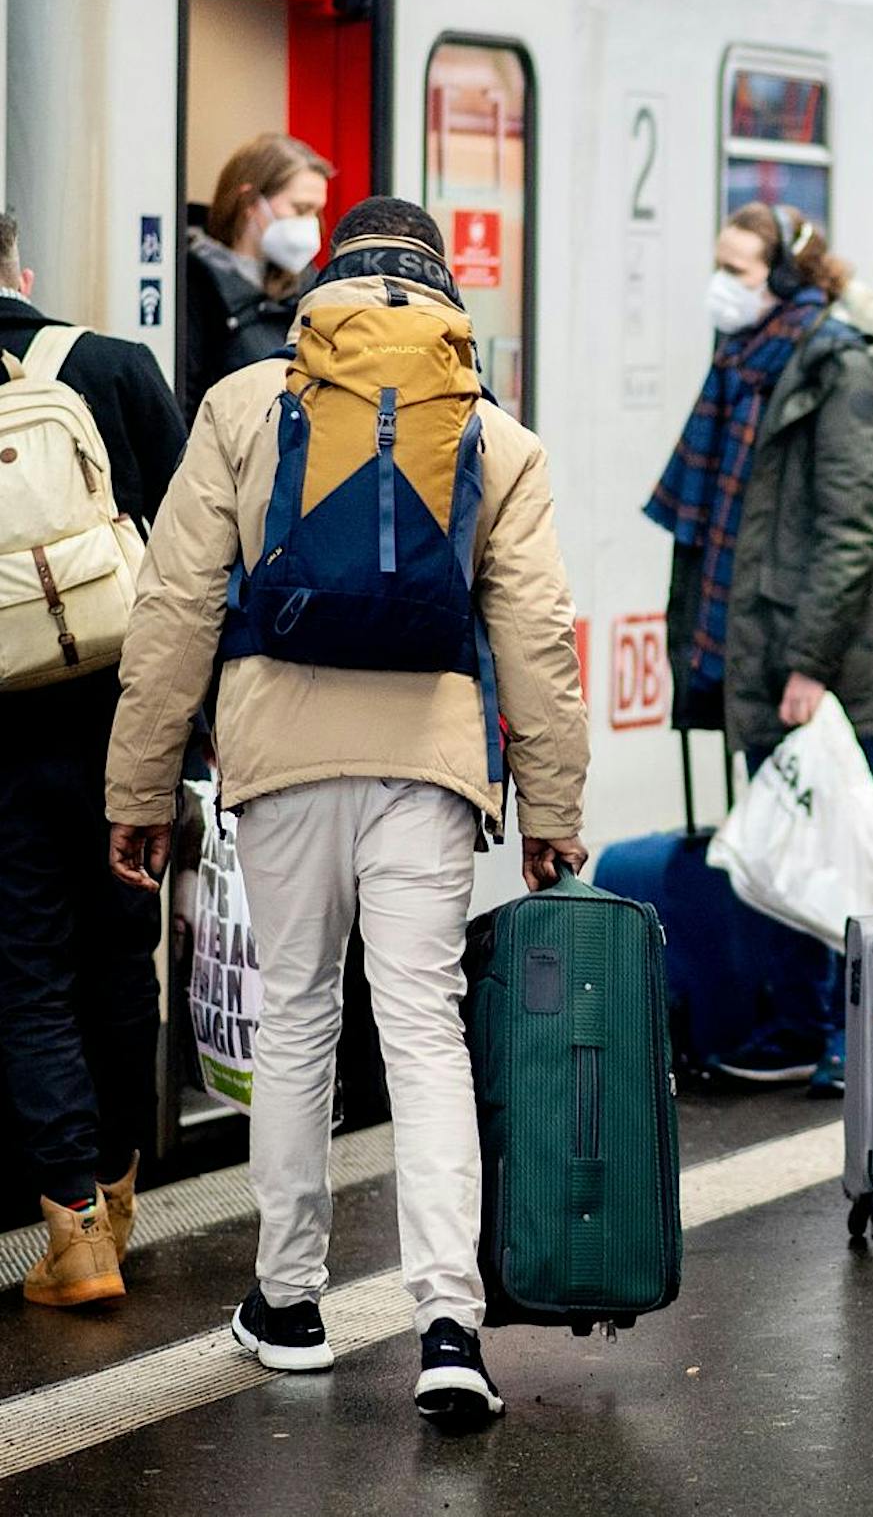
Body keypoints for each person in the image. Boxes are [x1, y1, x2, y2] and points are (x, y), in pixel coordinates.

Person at [105, 197, 588, 1428]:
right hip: (426, 761)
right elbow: (534, 635)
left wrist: (141, 786)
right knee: (423, 1028)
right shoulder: (497, 435)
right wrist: (552, 804)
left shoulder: (242, 405)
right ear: (442, 294)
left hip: (278, 752)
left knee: (300, 1016)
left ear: (328, 284)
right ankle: (446, 1323)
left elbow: (172, 610)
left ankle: (288, 1300)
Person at [646, 203, 873, 1097]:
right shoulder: (747, 367)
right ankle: (793, 1022)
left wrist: (811, 664)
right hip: (755, 645)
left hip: (814, 663)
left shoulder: (841, 370)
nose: (723, 285)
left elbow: (857, 525)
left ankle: (847, 1030)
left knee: (834, 852)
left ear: (786, 280)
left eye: (741, 269)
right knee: (785, 845)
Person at [0, 214, 187, 1310]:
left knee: (28, 972)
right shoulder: (112, 367)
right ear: (20, 267)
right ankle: (119, 1192)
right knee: (122, 959)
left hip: (5, 749)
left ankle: (73, 1236)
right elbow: (192, 557)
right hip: (122, 725)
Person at [184, 133, 333, 421]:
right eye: (300, 209)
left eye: (316, 211)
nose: (311, 224)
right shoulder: (195, 286)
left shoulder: (310, 286)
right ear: (250, 202)